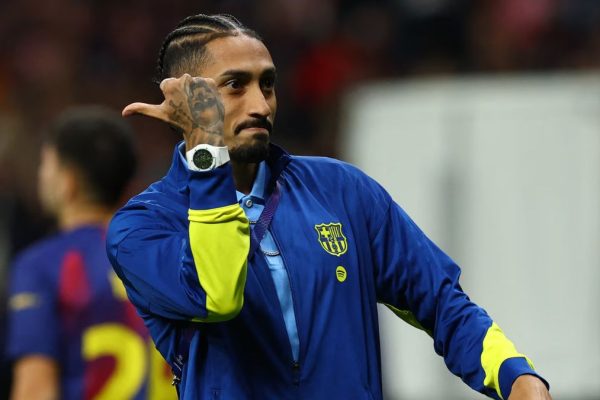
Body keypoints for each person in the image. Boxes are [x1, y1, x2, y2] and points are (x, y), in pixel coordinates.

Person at [107, 14, 552, 400]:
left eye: (268, 83)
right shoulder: (142, 227)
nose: (260, 104)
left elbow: (439, 300)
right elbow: (216, 293)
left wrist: (516, 376)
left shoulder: (341, 190)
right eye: (235, 85)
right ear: (185, 103)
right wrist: (205, 144)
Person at [6, 106, 176, 400]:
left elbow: (36, 390)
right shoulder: (167, 253)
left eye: (46, 164)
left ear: (67, 183)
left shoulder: (42, 265)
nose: (41, 175)